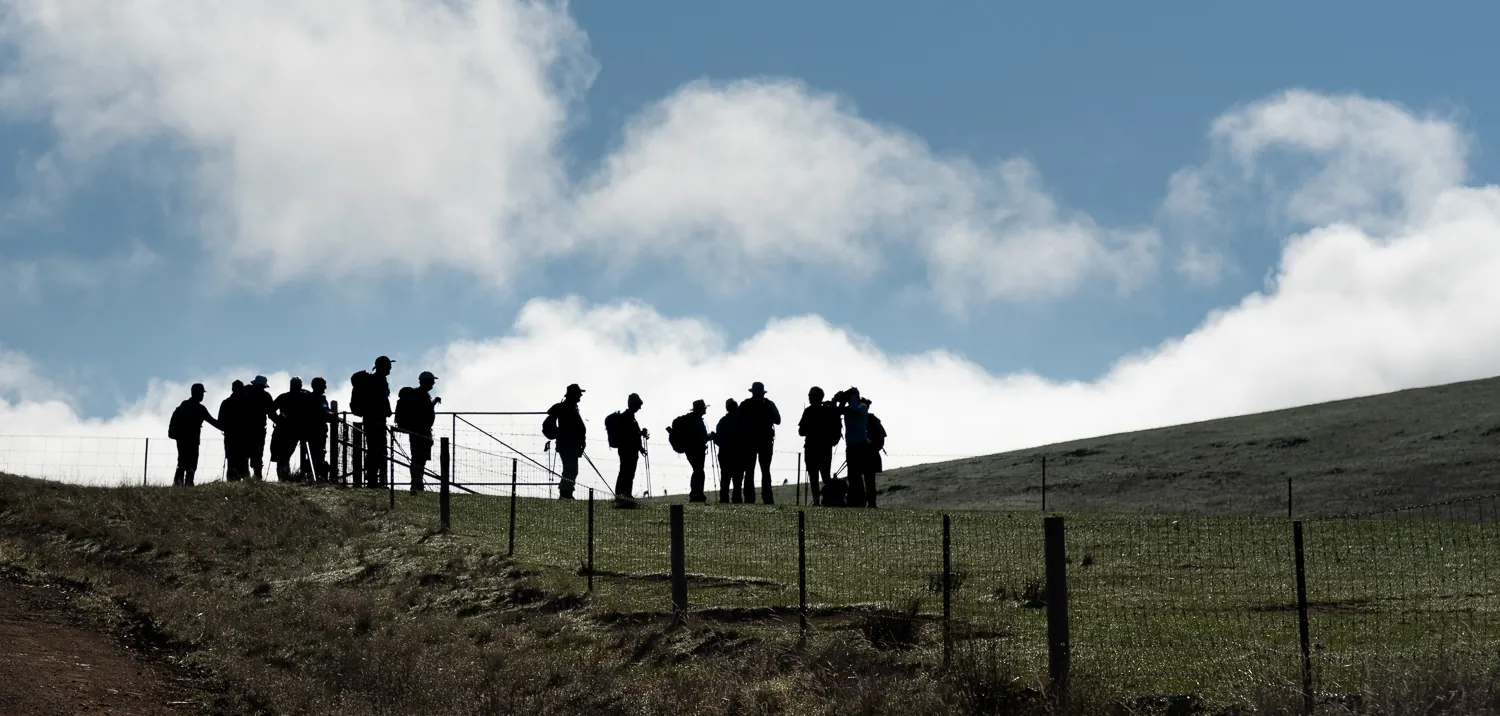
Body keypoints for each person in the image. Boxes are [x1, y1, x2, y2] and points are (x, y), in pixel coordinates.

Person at [350, 356, 394, 488]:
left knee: (374, 450)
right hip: (376, 420)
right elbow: (380, 400)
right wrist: (387, 411)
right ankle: (375, 481)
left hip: (371, 419)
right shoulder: (378, 381)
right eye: (388, 366)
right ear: (383, 367)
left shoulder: (374, 380)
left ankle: (374, 479)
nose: (390, 368)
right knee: (377, 450)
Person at [168, 383, 223, 487]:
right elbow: (213, 421)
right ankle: (187, 484)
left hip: (184, 440)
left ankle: (179, 484)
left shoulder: (183, 407)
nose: (202, 396)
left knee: (183, 463)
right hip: (191, 440)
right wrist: (225, 428)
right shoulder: (199, 408)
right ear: (197, 393)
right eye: (201, 393)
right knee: (190, 463)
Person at [394, 371, 440, 493]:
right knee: (418, 459)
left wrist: (434, 402)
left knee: (419, 459)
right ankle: (416, 484)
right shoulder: (421, 395)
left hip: (417, 432)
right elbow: (424, 412)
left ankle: (417, 484)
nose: (433, 384)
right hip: (421, 432)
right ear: (427, 382)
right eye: (432, 382)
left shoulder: (419, 394)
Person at [736, 381, 781, 504]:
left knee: (750, 471)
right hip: (765, 442)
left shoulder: (745, 404)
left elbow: (737, 422)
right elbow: (778, 420)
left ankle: (749, 498)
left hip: (749, 442)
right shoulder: (769, 404)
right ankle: (767, 498)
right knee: (765, 471)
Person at [797, 386, 841, 506]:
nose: (810, 398)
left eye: (811, 396)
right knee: (824, 476)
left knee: (815, 477)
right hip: (824, 449)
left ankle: (818, 502)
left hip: (813, 449)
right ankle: (828, 501)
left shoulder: (809, 411)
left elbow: (801, 431)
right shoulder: (827, 411)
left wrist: (810, 429)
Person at [542, 384, 586, 499]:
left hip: (572, 444)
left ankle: (566, 494)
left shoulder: (571, 407)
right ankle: (565, 494)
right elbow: (550, 422)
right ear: (573, 395)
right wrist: (559, 434)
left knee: (571, 469)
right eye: (579, 394)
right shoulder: (564, 407)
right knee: (570, 469)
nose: (580, 396)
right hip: (567, 445)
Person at [832, 387, 872, 507]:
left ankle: (862, 501)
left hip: (861, 445)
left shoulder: (863, 407)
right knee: (853, 476)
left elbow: (856, 409)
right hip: (851, 446)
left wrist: (853, 397)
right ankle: (856, 501)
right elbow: (834, 412)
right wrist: (836, 400)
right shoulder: (848, 409)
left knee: (861, 475)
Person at [605, 393, 648, 501]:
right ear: (633, 404)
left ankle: (626, 494)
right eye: (638, 405)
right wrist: (640, 434)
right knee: (626, 472)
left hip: (629, 449)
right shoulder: (626, 417)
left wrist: (640, 448)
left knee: (628, 472)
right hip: (627, 450)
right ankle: (622, 494)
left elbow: (633, 435)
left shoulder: (630, 417)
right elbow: (629, 435)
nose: (639, 408)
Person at [669, 400, 711, 502]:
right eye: (704, 408)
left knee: (697, 470)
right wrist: (710, 437)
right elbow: (700, 438)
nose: (705, 409)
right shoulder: (696, 420)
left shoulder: (690, 419)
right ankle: (697, 495)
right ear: (701, 409)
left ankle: (696, 495)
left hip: (690, 449)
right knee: (699, 471)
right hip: (697, 450)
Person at [270, 377, 308, 482]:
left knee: (284, 455)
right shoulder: (302, 396)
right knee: (283, 455)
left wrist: (278, 420)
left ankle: (286, 477)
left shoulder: (288, 397)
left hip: (295, 429)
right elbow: (271, 410)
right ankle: (285, 477)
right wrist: (278, 420)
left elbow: (271, 410)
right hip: (289, 429)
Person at [241, 375, 278, 482]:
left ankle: (247, 476)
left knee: (246, 453)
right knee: (256, 453)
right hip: (258, 429)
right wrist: (279, 422)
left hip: (245, 428)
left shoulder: (246, 392)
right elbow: (271, 413)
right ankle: (257, 477)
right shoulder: (265, 396)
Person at [301, 377, 337, 483]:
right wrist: (332, 415)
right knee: (317, 454)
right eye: (323, 385)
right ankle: (316, 477)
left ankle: (311, 476)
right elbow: (324, 412)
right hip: (317, 431)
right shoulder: (319, 399)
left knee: (312, 454)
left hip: (309, 431)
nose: (325, 387)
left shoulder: (308, 398)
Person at [218, 380, 248, 481]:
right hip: (242, 437)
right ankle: (243, 483)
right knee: (241, 461)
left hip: (232, 437)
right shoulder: (246, 403)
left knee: (233, 462)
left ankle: (233, 482)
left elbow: (220, 422)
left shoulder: (226, 403)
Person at [711, 398, 740, 503]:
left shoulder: (722, 422)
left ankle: (724, 500)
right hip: (738, 454)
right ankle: (737, 500)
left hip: (724, 454)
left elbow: (719, 440)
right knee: (737, 480)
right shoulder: (740, 421)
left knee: (725, 479)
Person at [861, 397, 887, 508]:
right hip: (870, 454)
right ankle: (869, 503)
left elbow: (881, 439)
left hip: (869, 454)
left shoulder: (871, 420)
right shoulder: (873, 420)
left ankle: (870, 503)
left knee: (869, 481)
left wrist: (871, 448)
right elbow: (882, 439)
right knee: (869, 481)